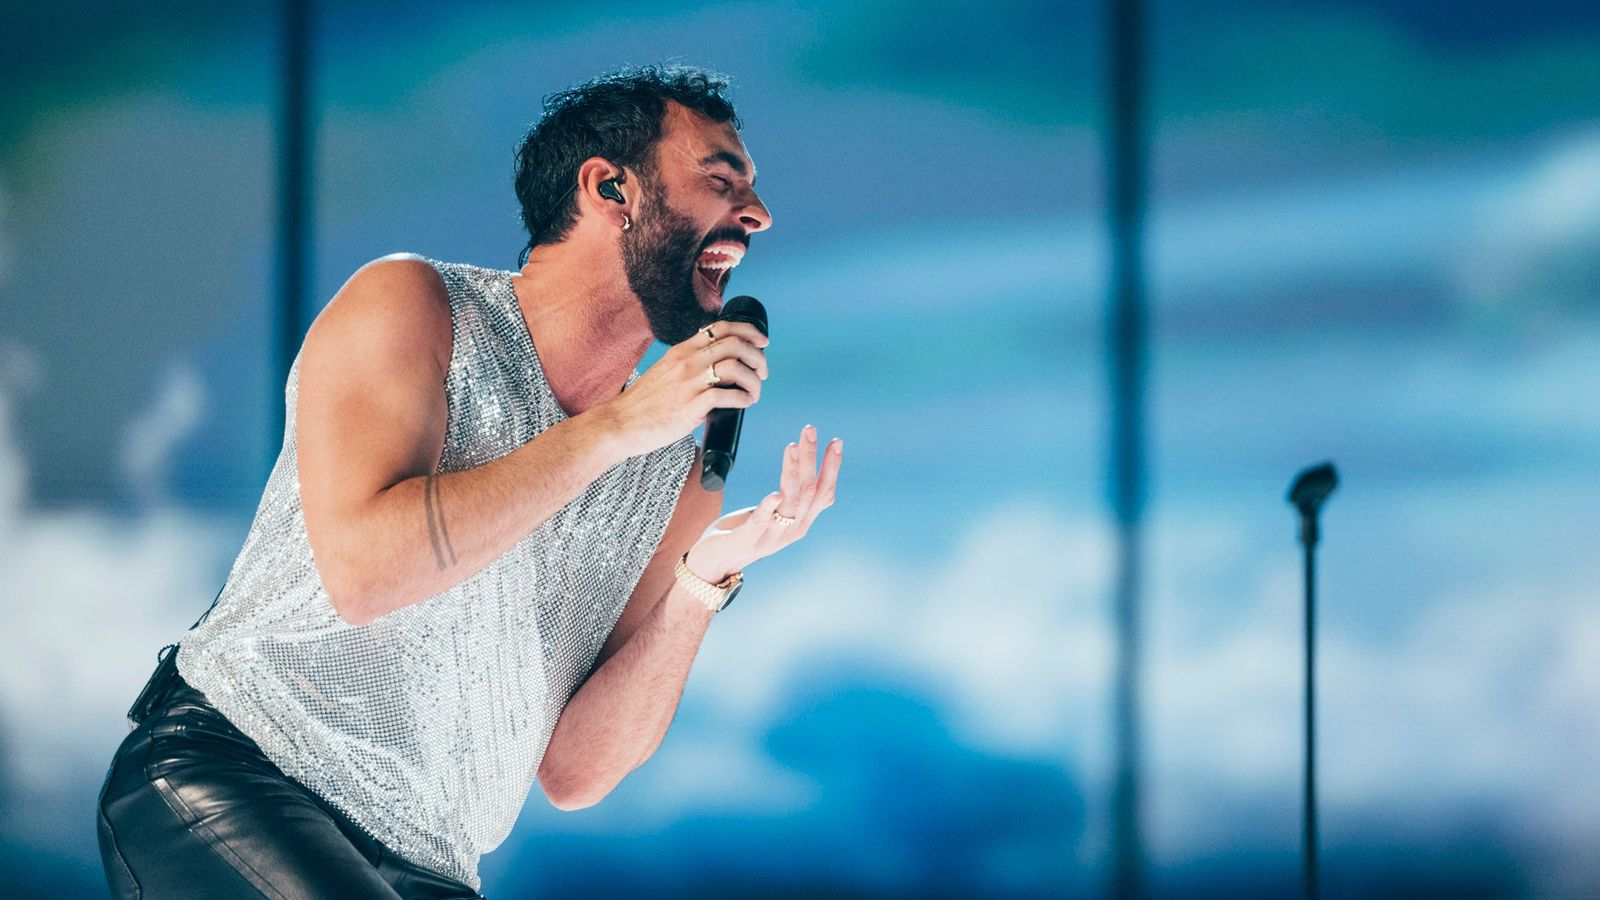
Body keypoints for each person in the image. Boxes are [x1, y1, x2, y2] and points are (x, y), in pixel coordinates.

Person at [95, 64, 842, 899]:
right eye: (721, 180)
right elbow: (369, 573)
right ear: (611, 189)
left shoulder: (677, 473)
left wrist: (702, 583)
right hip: (236, 775)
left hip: (433, 865)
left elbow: (576, 774)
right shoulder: (416, 305)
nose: (759, 213)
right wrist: (617, 428)